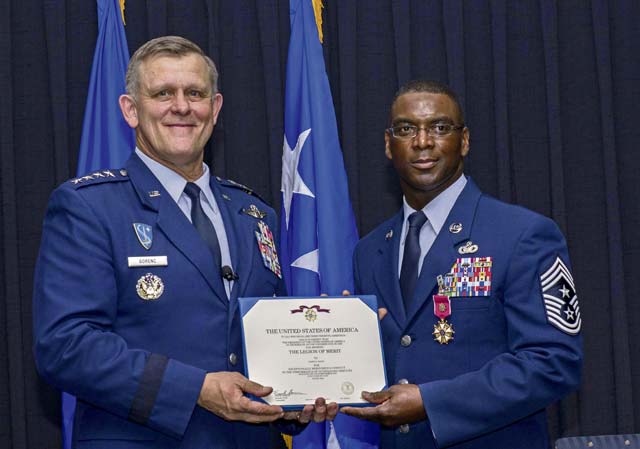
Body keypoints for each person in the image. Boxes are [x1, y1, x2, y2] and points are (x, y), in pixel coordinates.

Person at [32, 36, 335, 449]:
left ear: (215, 107)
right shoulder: (89, 207)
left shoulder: (253, 213)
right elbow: (65, 346)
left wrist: (304, 384)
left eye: (195, 93)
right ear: (130, 109)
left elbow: (266, 342)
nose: (182, 107)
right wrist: (195, 389)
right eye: (162, 93)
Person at [341, 80, 582, 449]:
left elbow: (554, 362)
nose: (422, 142)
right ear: (388, 145)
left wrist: (430, 403)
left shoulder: (522, 234)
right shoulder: (370, 250)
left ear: (464, 141)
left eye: (439, 127)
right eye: (406, 129)